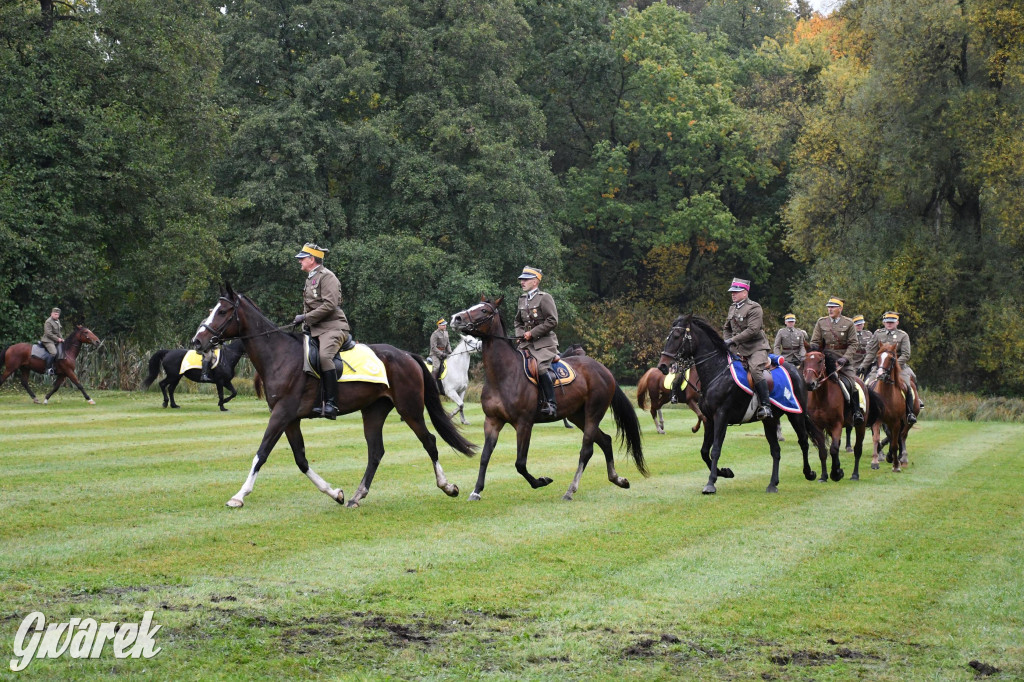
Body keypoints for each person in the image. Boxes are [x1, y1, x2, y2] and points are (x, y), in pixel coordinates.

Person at [292, 243, 350, 419]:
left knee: (324, 357)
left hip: (333, 327)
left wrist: (306, 318)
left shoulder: (328, 277)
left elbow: (330, 305)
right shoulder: (311, 278)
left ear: (312, 259)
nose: (300, 261)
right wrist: (304, 324)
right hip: (316, 329)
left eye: (302, 258)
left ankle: (332, 403)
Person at [722, 278, 773, 421]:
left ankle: (766, 405)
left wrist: (732, 340)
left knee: (755, 369)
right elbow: (727, 328)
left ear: (745, 293)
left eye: (736, 292)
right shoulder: (732, 307)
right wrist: (728, 343)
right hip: (738, 348)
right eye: (732, 292)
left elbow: (753, 330)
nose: (733, 294)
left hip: (756, 348)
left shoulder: (754, 308)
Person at [858, 311, 920, 424]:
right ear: (883, 322)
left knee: (908, 384)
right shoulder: (878, 334)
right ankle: (866, 412)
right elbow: (871, 353)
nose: (889, 324)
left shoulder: (903, 335)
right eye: (887, 322)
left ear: (897, 322)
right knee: (866, 384)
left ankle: (910, 412)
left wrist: (895, 365)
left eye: (892, 322)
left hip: (899, 367)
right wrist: (863, 366)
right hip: (880, 367)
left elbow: (906, 354)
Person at [810, 297, 864, 424]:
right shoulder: (821, 322)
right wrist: (815, 352)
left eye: (833, 307)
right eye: (829, 307)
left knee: (852, 384)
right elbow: (814, 341)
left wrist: (845, 358)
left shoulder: (849, 323)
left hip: (843, 361)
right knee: (808, 379)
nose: (830, 309)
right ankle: (807, 411)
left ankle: (856, 412)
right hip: (825, 360)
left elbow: (853, 344)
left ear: (840, 308)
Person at [514, 266, 559, 417]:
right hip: (526, 344)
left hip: (544, 344)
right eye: (522, 279)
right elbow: (518, 322)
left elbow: (552, 321)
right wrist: (521, 334)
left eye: (525, 279)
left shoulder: (544, 297)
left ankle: (551, 404)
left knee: (539, 368)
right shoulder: (522, 299)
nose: (522, 282)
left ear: (535, 281)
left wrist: (531, 333)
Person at [41, 307, 64, 376]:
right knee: (53, 352)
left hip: (55, 340)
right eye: (55, 314)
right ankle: (48, 369)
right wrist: (58, 339)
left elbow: (58, 332)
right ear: (51, 314)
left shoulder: (57, 320)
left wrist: (62, 338)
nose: (56, 316)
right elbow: (48, 334)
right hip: (48, 340)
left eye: (57, 314)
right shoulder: (48, 322)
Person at [428, 318, 452, 383]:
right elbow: (433, 347)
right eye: (443, 325)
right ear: (439, 325)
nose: (445, 326)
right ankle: (432, 383)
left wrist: (450, 351)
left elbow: (448, 344)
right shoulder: (435, 334)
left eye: (445, 325)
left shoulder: (446, 333)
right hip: (435, 354)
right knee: (437, 367)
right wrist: (441, 354)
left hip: (444, 353)